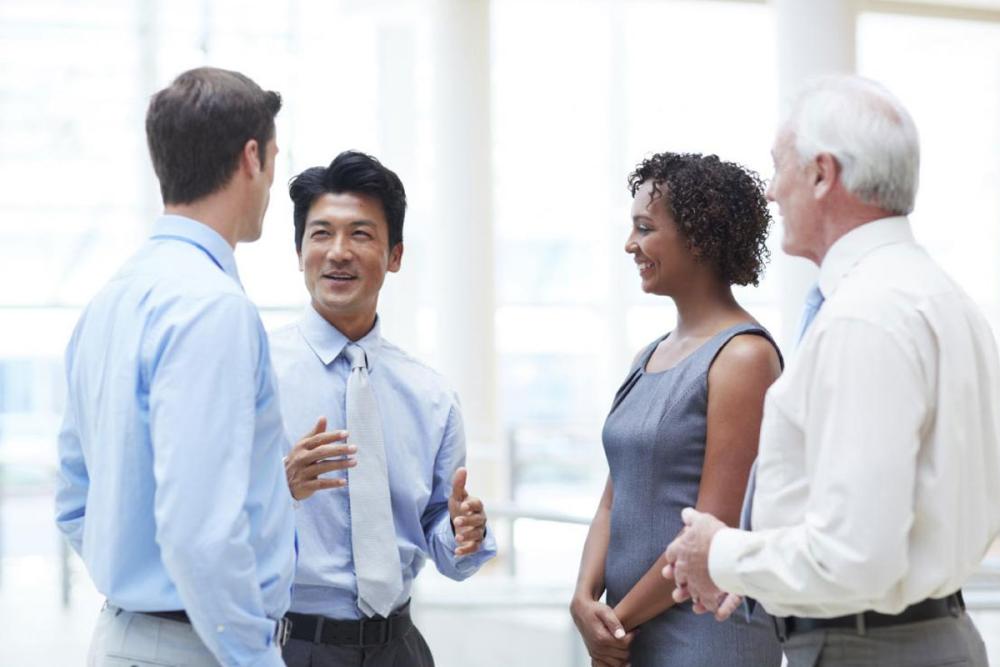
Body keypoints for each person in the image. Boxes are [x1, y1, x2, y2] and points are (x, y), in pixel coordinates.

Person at [663, 75, 1000, 666]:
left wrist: (720, 554)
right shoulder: (939, 297)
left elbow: (855, 556)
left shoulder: (864, 316)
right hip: (922, 633)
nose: (771, 192)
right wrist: (756, 571)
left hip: (867, 647)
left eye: (779, 168)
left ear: (822, 174)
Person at [54, 67, 302, 666]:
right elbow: (200, 531)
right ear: (251, 158)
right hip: (198, 648)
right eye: (274, 160)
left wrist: (137, 583)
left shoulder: (112, 299)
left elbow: (73, 498)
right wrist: (255, 657)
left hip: (128, 639)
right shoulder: (212, 309)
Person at [271, 150, 497, 667]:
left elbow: (443, 543)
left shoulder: (430, 395)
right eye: (321, 234)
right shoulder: (254, 374)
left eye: (360, 234)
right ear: (300, 251)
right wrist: (279, 487)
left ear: (395, 255)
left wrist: (464, 533)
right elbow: (210, 519)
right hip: (288, 646)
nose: (338, 252)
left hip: (400, 648)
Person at [570, 152, 784, 666]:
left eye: (645, 228)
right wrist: (583, 599)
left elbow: (712, 529)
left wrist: (614, 623)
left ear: (699, 239)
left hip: (706, 635)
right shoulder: (648, 356)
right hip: (631, 633)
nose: (631, 244)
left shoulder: (744, 357)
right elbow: (612, 501)